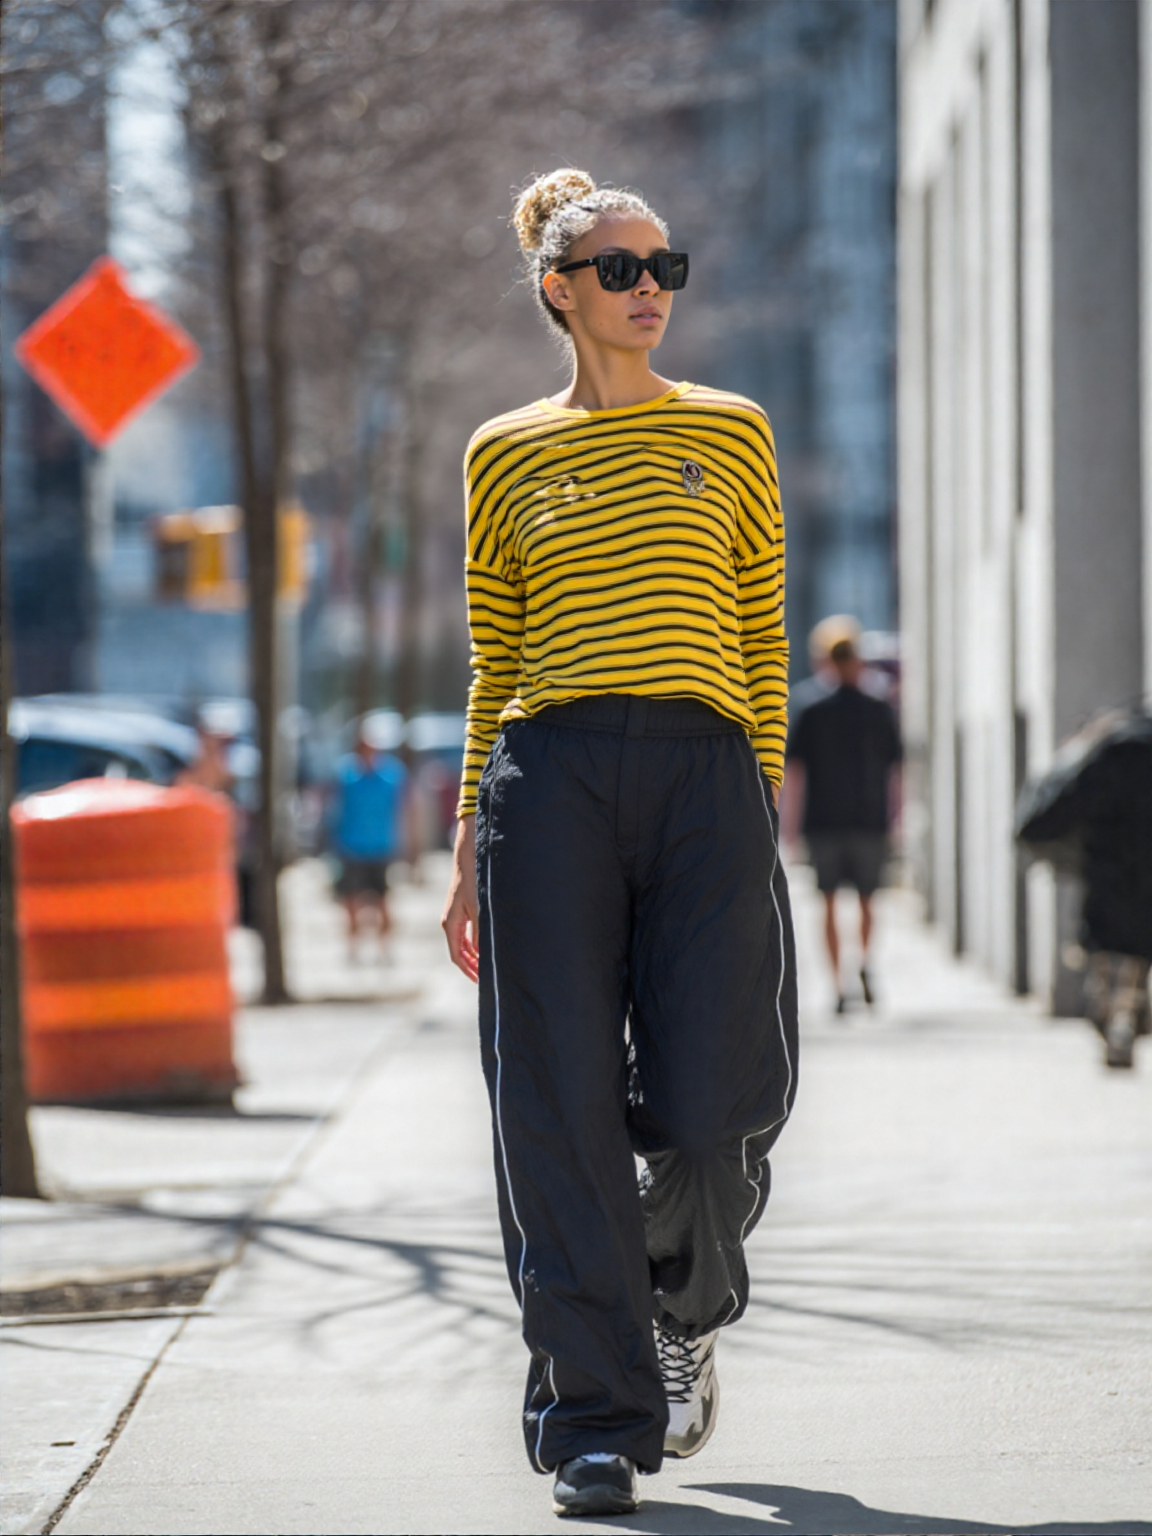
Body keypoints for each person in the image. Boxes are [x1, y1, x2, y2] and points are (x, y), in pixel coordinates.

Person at [440, 169, 798, 1520]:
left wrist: (756, 790)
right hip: (552, 781)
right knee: (558, 1112)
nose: (651, 288)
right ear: (559, 290)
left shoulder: (735, 433)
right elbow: (496, 654)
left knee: (715, 1110)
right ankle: (592, 1419)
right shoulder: (505, 449)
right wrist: (471, 830)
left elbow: (762, 632)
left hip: (707, 773)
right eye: (621, 270)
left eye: (666, 267)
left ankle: (686, 1307)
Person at [785, 633, 902, 1015]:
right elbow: (895, 771)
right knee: (859, 901)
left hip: (827, 821)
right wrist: (896, 817)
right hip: (864, 819)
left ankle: (843, 982)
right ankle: (857, 968)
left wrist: (788, 824)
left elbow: (794, 772)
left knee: (834, 903)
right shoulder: (877, 707)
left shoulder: (812, 707)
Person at [330, 721, 407, 960]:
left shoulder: (391, 775)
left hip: (381, 847)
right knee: (351, 902)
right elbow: (335, 810)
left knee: (383, 900)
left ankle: (385, 950)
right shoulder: (345, 774)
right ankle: (353, 950)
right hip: (352, 846)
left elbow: (402, 810)